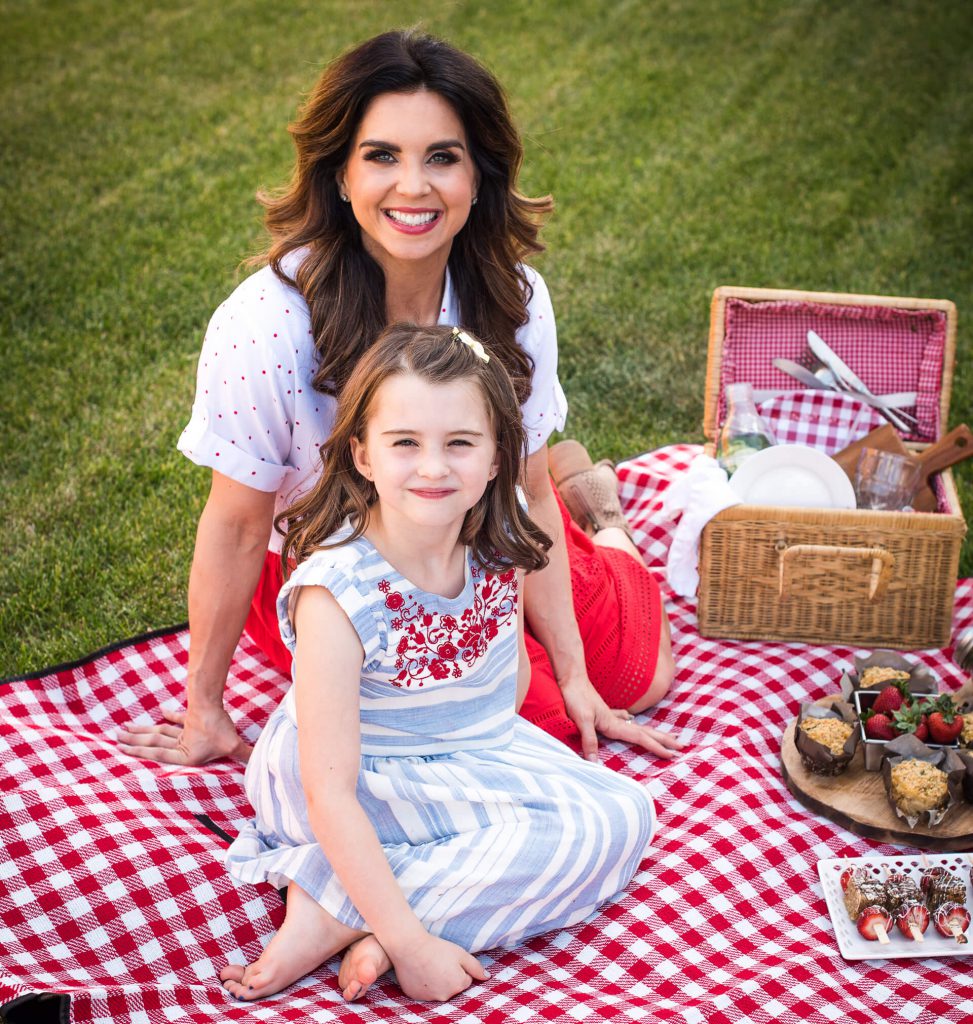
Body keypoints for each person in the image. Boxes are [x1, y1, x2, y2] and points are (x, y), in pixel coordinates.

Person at [117, 28, 678, 768]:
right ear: (340, 176)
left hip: (480, 529)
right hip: (333, 572)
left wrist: (575, 675)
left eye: (441, 158)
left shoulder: (513, 299)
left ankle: (604, 520)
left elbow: (527, 491)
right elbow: (237, 527)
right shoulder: (266, 324)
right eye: (381, 156)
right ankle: (592, 522)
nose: (412, 186)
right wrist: (204, 711)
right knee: (516, 743)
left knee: (636, 683)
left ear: (480, 176)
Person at [218, 324, 656, 1003]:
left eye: (459, 443)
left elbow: (501, 695)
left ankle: (342, 913)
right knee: (561, 832)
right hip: (351, 783)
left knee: (623, 812)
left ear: (494, 459)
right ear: (362, 455)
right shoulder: (338, 591)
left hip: (459, 753)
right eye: (404, 444)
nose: (432, 467)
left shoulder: (496, 540)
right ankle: (381, 919)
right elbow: (326, 790)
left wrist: (497, 772)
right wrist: (417, 950)